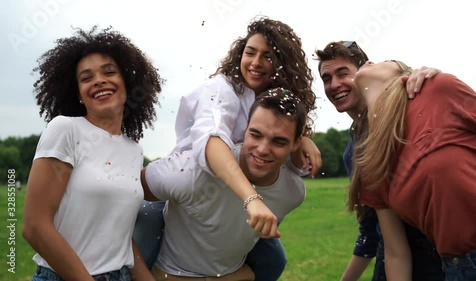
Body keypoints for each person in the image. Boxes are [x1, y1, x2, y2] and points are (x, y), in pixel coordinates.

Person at [133, 16, 321, 281]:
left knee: (273, 261)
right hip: (190, 182)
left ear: (282, 64)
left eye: (267, 56)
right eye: (250, 53)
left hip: (234, 202)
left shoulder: (278, 102)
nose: (255, 63)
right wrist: (251, 199)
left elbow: (283, 161)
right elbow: (211, 141)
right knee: (144, 238)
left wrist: (303, 139)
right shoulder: (222, 88)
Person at [22, 26, 163, 281]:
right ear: (78, 93)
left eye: (109, 72)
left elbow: (118, 238)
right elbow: (35, 227)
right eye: (86, 78)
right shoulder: (65, 130)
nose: (99, 80)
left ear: (127, 82)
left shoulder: (134, 150)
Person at [349, 59, 476, 280]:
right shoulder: (370, 158)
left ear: (403, 74)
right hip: (455, 270)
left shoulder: (436, 89)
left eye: (386, 60)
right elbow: (396, 253)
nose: (369, 61)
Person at [142, 88, 308, 280]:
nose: (263, 149)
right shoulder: (191, 170)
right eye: (255, 134)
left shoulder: (293, 192)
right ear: (244, 129)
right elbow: (130, 190)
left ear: (297, 143)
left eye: (278, 142)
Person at [315, 41, 444, 281]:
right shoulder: (352, 151)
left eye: (343, 73)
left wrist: (424, 77)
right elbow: (371, 230)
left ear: (365, 71)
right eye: (326, 78)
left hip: (443, 264)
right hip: (391, 266)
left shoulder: (408, 109)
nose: (334, 85)